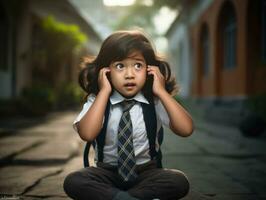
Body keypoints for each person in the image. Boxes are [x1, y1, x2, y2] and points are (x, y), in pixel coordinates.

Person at [63, 30, 194, 200]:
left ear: (149, 69)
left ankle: (119, 197)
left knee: (178, 181)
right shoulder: (98, 101)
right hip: (106, 173)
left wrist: (161, 92)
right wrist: (104, 92)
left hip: (147, 174)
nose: (129, 74)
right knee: (74, 181)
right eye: (120, 66)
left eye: (138, 65)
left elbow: (186, 129)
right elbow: (87, 133)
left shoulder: (154, 101)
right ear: (106, 71)